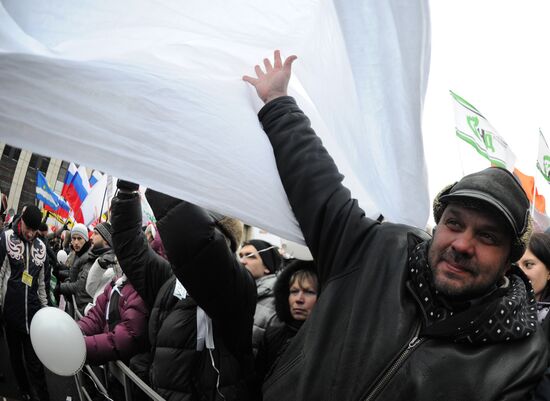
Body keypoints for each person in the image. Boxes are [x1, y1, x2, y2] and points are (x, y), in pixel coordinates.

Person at [242, 50, 548, 400]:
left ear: (510, 258)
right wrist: (278, 103)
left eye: (487, 236)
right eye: (454, 223)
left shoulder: (522, 355)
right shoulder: (376, 251)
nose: (462, 244)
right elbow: (316, 184)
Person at [111, 180, 256, 400]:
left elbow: (198, 244)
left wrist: (159, 173)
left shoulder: (237, 289)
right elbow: (133, 252)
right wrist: (127, 194)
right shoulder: (170, 281)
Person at [0, 205, 50, 401]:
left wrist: (46, 312)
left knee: (34, 361)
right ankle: (24, 390)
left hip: (33, 316)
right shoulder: (6, 238)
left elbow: (42, 284)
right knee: (15, 356)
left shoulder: (42, 247)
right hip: (11, 313)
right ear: (20, 221)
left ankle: (42, 396)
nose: (30, 233)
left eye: (34, 230)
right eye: (27, 227)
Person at [256, 260, 318, 381]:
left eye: (309, 292)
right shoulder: (272, 334)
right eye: (294, 291)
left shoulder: (326, 342)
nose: (299, 299)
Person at [239, 239, 283, 354]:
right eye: (241, 256)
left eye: (250, 256)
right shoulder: (240, 293)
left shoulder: (277, 301)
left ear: (267, 266)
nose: (242, 261)